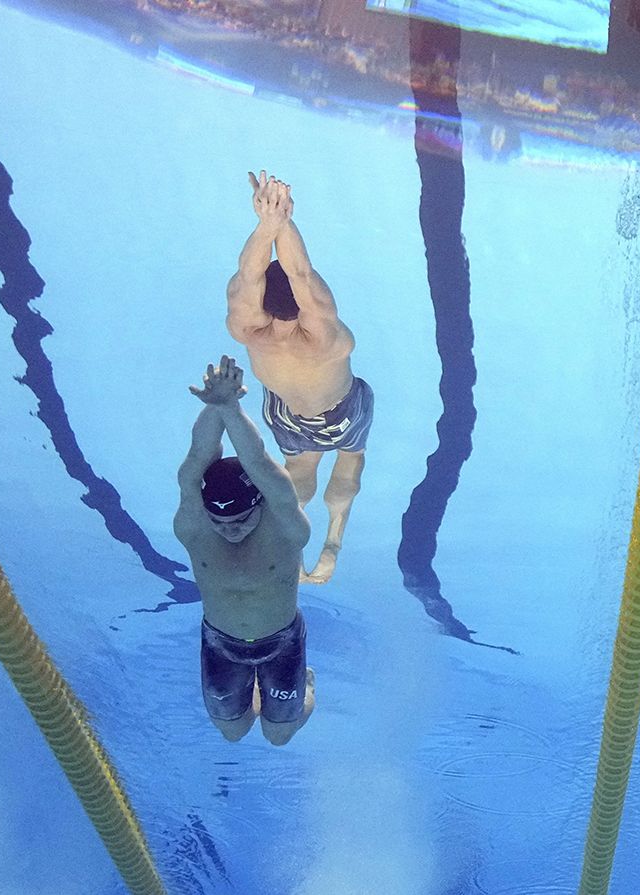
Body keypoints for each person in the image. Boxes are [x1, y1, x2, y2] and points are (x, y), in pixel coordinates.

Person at [227, 170, 371, 584]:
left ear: (260, 304)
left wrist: (266, 226)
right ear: (306, 305)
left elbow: (247, 275)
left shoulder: (248, 330)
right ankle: (332, 546)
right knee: (349, 462)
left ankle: (286, 543)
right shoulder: (324, 335)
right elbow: (302, 273)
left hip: (284, 414)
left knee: (299, 475)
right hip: (339, 412)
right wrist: (283, 221)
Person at [175, 356, 316, 746]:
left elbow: (257, 462)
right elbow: (196, 462)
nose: (230, 530)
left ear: (261, 504)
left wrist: (231, 408)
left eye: (240, 520)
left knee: (279, 735)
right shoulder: (193, 527)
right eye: (219, 522)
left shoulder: (287, 526)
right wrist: (214, 405)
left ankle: (306, 687)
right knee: (232, 732)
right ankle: (255, 694)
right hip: (221, 644)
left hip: (282, 643)